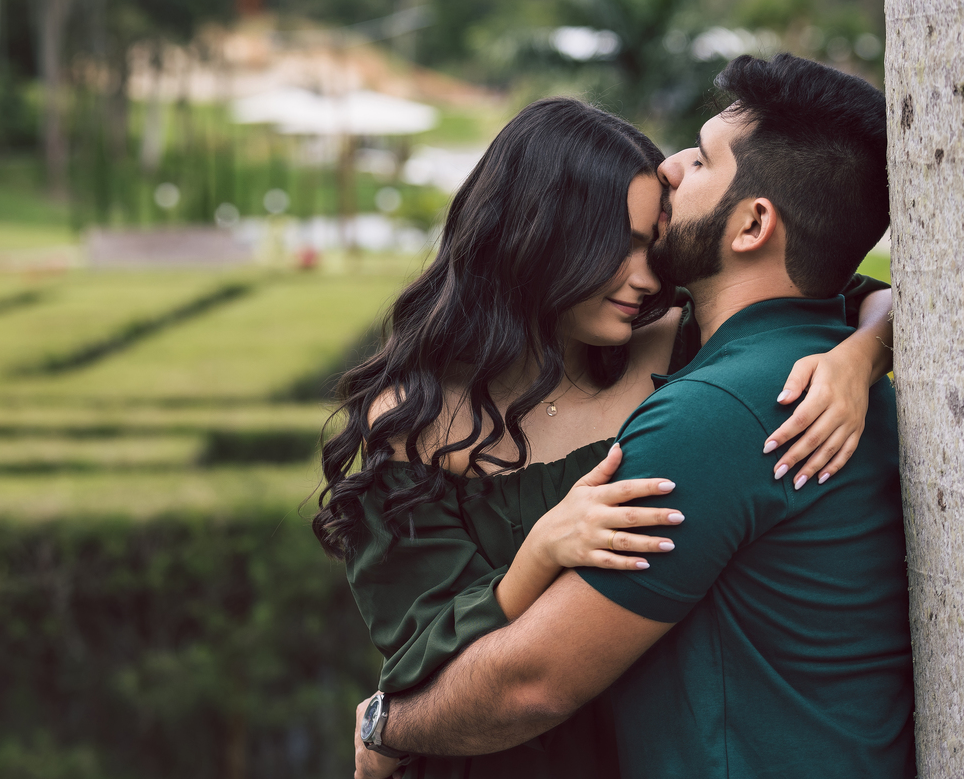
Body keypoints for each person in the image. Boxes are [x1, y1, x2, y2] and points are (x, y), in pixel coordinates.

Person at [324, 87, 898, 779]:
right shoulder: (413, 422)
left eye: (651, 239)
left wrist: (861, 355)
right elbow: (420, 655)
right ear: (536, 238)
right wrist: (537, 553)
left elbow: (835, 277)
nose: (645, 275)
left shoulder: (677, 346)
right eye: (616, 248)